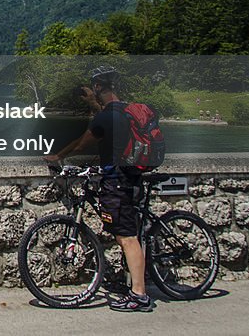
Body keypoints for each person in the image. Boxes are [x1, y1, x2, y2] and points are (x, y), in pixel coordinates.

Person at [44, 66, 153, 312]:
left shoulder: (107, 116)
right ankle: (133, 286)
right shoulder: (122, 111)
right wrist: (94, 103)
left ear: (97, 87)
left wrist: (57, 156)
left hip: (118, 181)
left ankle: (139, 295)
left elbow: (83, 143)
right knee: (126, 233)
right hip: (129, 176)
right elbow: (105, 122)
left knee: (127, 237)